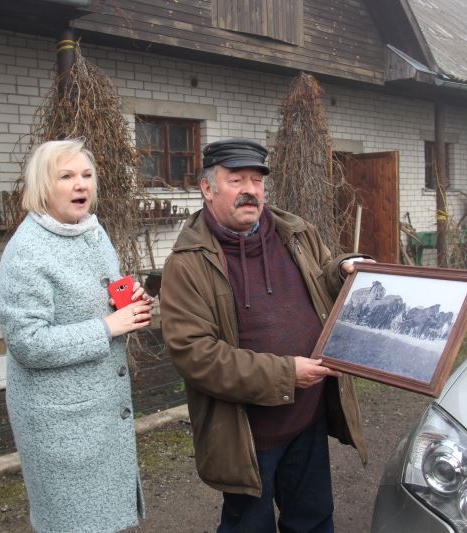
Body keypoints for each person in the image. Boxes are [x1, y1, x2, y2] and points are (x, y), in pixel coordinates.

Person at [160, 138, 370, 532]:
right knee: (249, 528)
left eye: (256, 181)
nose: (249, 191)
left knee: (313, 521)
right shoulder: (186, 264)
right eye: (236, 180)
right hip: (246, 435)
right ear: (208, 188)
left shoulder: (295, 231)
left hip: (307, 417)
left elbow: (324, 269)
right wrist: (285, 374)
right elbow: (195, 354)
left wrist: (345, 266)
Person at [0, 139, 151, 533]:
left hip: (101, 412)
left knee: (106, 521)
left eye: (86, 175)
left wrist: (129, 301)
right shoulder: (27, 252)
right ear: (43, 186)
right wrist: (108, 327)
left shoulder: (91, 233)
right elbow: (28, 343)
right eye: (66, 176)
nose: (80, 184)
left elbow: (104, 295)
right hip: (62, 426)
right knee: (75, 523)